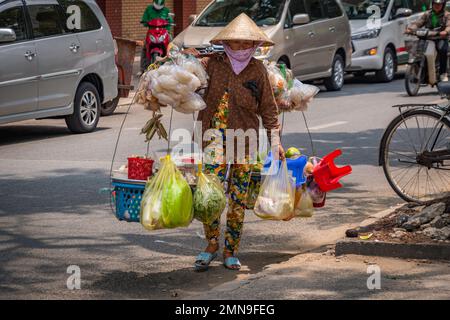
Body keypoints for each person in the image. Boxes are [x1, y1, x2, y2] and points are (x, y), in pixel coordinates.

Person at [188, 13, 285, 272]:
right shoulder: (212, 64)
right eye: (236, 43)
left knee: (237, 199)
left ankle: (230, 249)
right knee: (210, 195)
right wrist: (178, 63)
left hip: (245, 141)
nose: (241, 48)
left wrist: (275, 140)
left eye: (246, 43)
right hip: (213, 139)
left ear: (254, 46)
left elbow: (269, 109)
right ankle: (210, 245)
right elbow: (189, 78)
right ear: (227, 43)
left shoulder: (258, 70)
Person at [406, 0, 450, 82]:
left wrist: (446, 31)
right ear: (432, 4)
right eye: (435, 4)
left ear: (443, 5)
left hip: (440, 38)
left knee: (443, 50)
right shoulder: (427, 14)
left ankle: (443, 73)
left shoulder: (446, 15)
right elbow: (418, 23)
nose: (437, 6)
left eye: (439, 4)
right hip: (428, 38)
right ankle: (421, 73)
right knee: (418, 51)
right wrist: (410, 29)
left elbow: (449, 25)